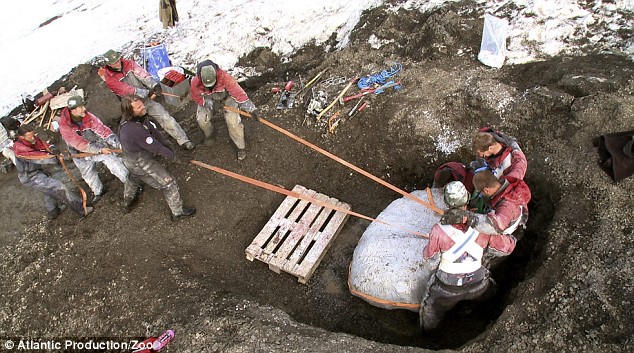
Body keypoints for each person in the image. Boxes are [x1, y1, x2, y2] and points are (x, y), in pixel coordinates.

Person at [420, 181, 516, 333]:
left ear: (446, 203)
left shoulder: (438, 231)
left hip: (446, 288)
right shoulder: (483, 226)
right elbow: (505, 249)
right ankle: (491, 322)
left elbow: (430, 259)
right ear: (467, 200)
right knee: (492, 296)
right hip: (478, 284)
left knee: (431, 311)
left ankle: (428, 335)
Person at [118, 95, 195, 221]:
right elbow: (156, 148)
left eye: (142, 104)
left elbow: (155, 133)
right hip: (139, 161)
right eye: (138, 107)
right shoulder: (134, 130)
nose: (143, 107)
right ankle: (178, 212)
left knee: (134, 177)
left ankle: (127, 200)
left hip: (131, 156)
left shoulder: (139, 118)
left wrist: (168, 146)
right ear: (130, 111)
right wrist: (175, 157)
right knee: (168, 183)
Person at [101, 49, 194, 150]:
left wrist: (154, 85)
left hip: (145, 101)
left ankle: (184, 140)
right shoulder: (110, 80)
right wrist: (146, 93)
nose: (118, 63)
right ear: (109, 64)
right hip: (131, 107)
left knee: (165, 117)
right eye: (114, 62)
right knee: (141, 130)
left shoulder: (129, 64)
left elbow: (142, 74)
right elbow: (128, 90)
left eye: (118, 60)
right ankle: (152, 149)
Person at [58, 95, 132, 204]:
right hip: (79, 153)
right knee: (88, 173)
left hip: (95, 144)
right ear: (73, 110)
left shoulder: (88, 117)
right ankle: (99, 191)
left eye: (83, 105)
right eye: (81, 107)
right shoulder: (64, 125)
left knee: (112, 160)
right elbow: (79, 144)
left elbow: (103, 131)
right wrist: (100, 151)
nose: (84, 109)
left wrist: (118, 144)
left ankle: (130, 183)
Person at [11, 124, 92, 219]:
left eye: (33, 135)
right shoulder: (20, 149)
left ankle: (53, 211)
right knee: (59, 187)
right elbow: (39, 157)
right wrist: (57, 158)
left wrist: (53, 149)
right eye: (30, 137)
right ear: (22, 137)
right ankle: (82, 209)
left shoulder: (32, 139)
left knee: (47, 190)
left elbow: (44, 145)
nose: (33, 138)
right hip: (30, 176)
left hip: (36, 171)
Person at [190, 59, 258, 160]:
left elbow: (238, 93)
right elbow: (197, 98)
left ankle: (241, 146)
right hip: (208, 99)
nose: (211, 86)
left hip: (227, 98)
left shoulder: (225, 77)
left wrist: (251, 109)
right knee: (202, 119)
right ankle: (210, 134)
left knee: (233, 122)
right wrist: (209, 104)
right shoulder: (195, 82)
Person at [443, 169, 531, 237]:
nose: (480, 195)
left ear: (486, 190)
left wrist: (469, 218)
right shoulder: (507, 185)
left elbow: (495, 226)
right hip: (516, 220)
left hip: (508, 234)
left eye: (480, 192)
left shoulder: (507, 206)